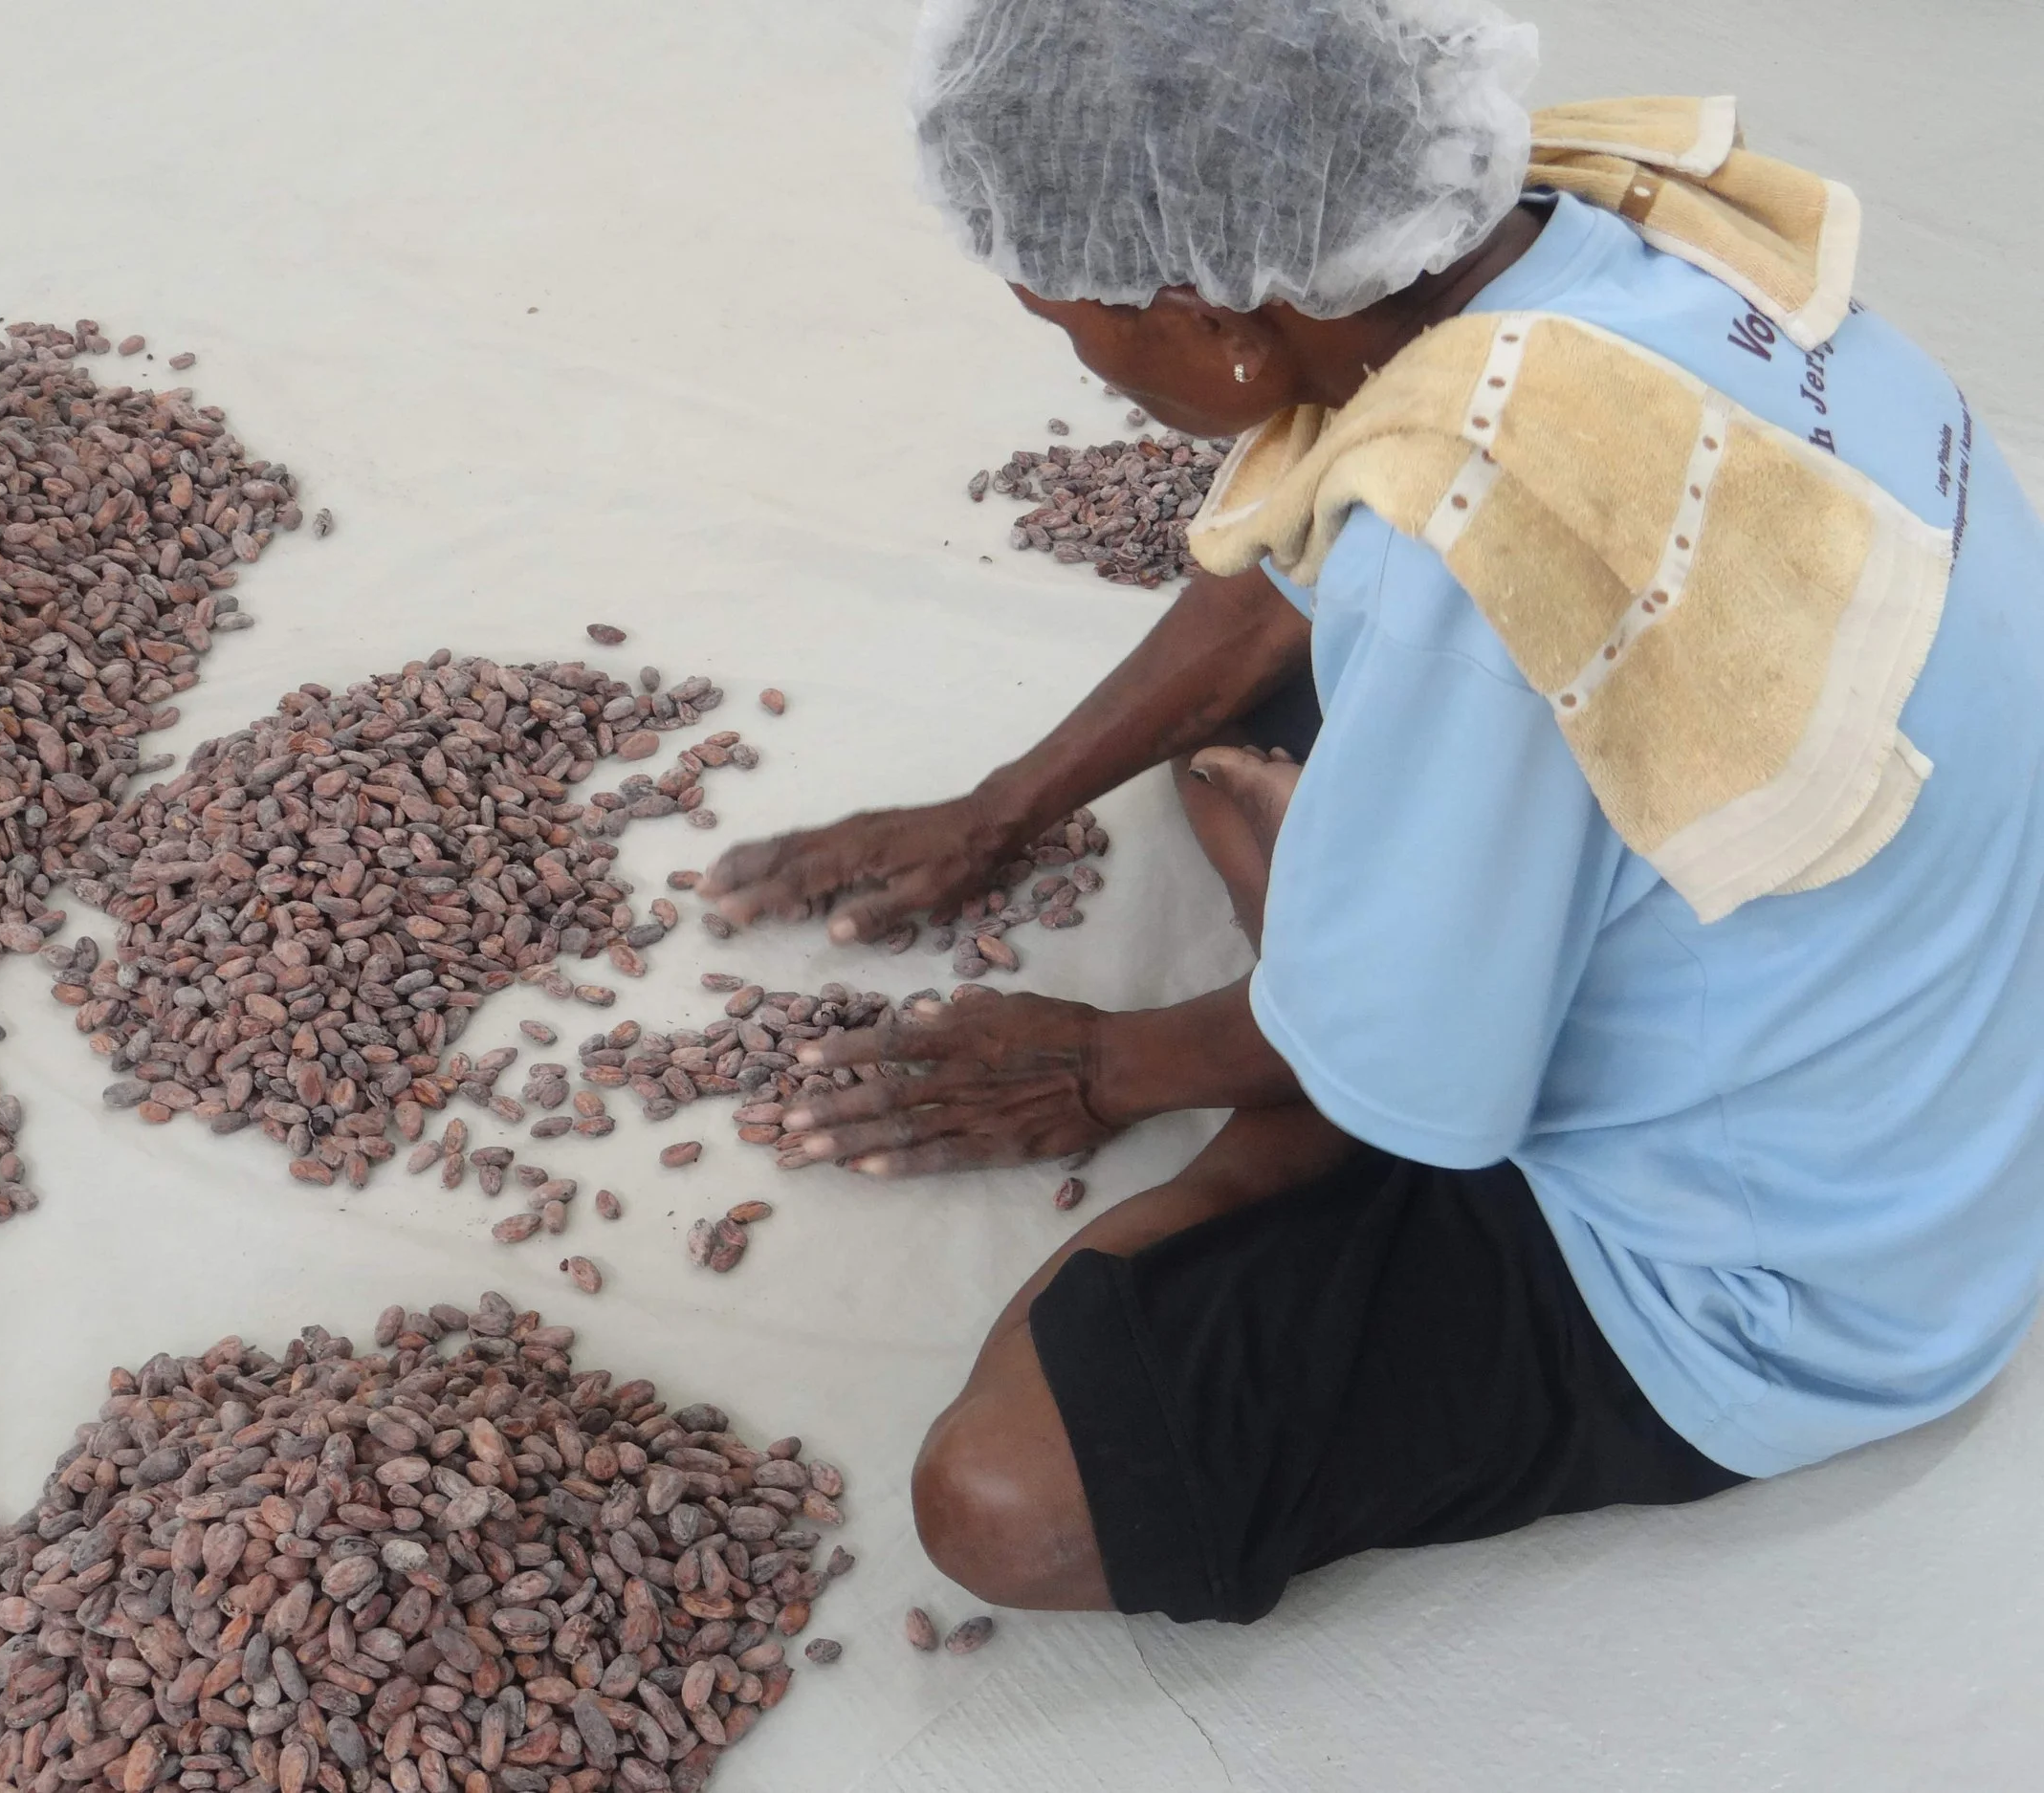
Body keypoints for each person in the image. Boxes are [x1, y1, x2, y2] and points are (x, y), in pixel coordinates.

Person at [701, 0, 2044, 1628]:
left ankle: (1297, 1103)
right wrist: (1004, 806)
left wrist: (1112, 1065)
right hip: (1919, 1041)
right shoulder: (1582, 226)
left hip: (1790, 1281)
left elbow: (1427, 1076)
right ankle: (1344, 966)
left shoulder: (1471, 552)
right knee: (1271, 733)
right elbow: (1303, 551)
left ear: (1226, 325)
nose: (1088, 373)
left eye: (1077, 331)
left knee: (1009, 1495)